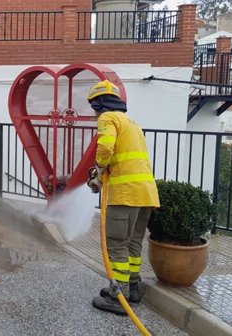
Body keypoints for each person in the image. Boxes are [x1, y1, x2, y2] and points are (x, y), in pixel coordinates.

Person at [85, 80, 160, 315]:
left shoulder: (107, 119)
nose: (94, 112)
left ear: (98, 103)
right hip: (146, 193)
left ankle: (119, 297)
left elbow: (106, 149)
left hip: (125, 194)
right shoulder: (133, 124)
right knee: (133, 243)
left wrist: (98, 171)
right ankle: (133, 288)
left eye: (93, 106)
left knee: (116, 244)